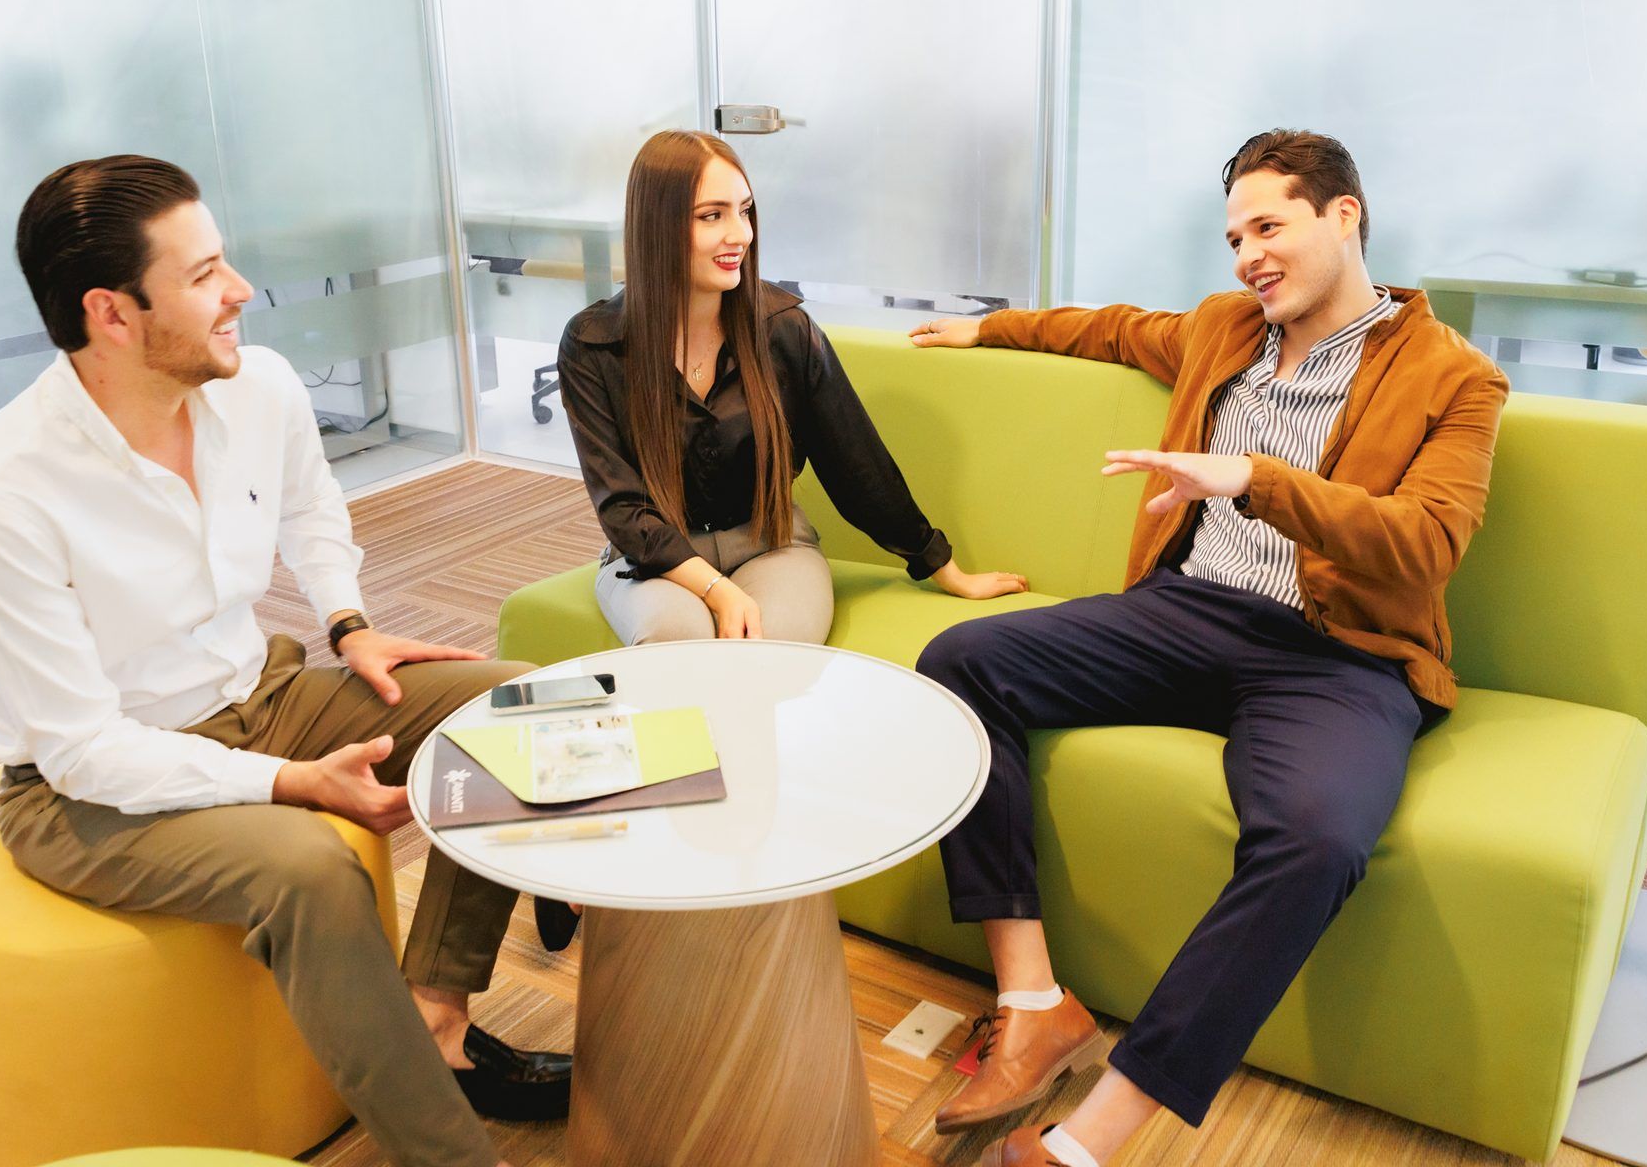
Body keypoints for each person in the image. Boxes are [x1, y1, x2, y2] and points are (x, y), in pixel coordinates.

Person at [0, 155, 567, 1167]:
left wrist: (349, 620)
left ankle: (434, 1015)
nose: (240, 292)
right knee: (313, 867)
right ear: (113, 312)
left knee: (509, 708)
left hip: (255, 692)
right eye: (205, 274)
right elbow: (85, 750)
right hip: (82, 790)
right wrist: (289, 782)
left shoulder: (256, 385)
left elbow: (312, 503)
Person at [906, 129, 1509, 1167]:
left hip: (1342, 655)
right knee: (960, 663)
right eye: (1235, 236)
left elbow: (1426, 545)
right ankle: (1034, 1000)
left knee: (1318, 836)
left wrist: (1257, 480)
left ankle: (1085, 1144)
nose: (1246, 256)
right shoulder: (1225, 328)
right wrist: (983, 330)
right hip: (1186, 611)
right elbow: (1104, 328)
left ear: (1344, 215)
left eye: (1269, 226)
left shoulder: (1456, 377)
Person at [558, 128, 1027, 649]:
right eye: (711, 216)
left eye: (745, 210)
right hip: (656, 558)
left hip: (770, 544)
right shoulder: (595, 346)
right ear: (656, 228)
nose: (739, 234)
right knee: (675, 644)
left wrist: (943, 567)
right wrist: (715, 591)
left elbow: (855, 464)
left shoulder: (784, 330)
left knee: (773, 654)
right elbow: (622, 506)